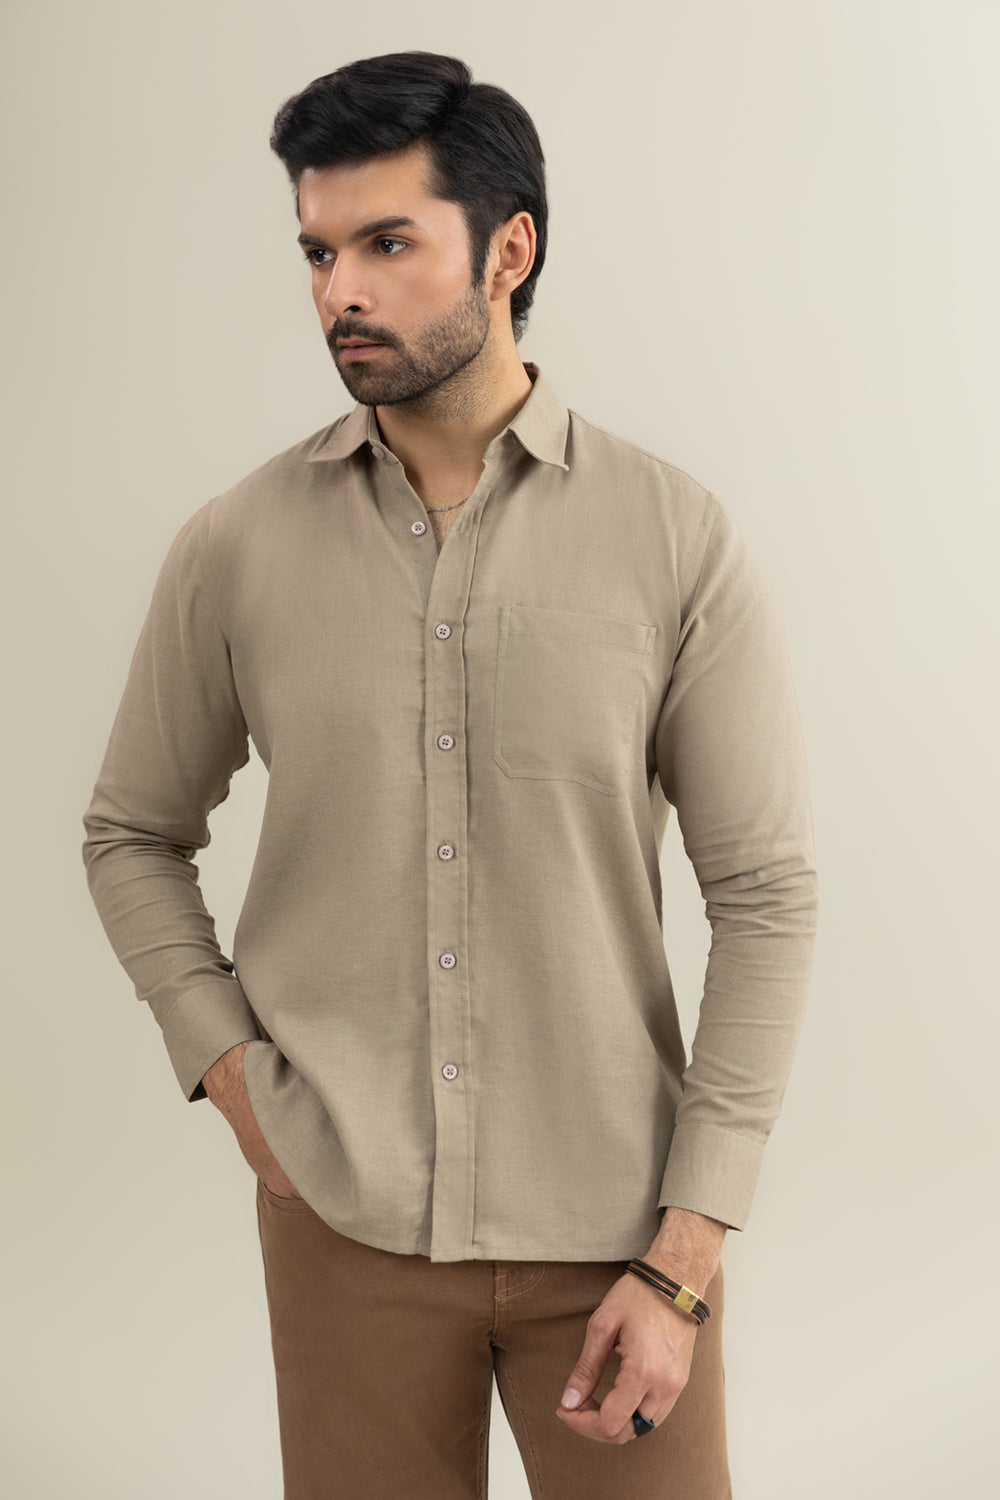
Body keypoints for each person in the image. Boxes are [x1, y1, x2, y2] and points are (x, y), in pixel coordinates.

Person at [81, 49, 818, 1500]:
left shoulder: (674, 538)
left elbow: (767, 893)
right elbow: (131, 831)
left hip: (622, 1243)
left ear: (508, 250)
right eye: (318, 252)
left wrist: (687, 1250)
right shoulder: (237, 543)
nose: (338, 292)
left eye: (385, 243)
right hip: (341, 1219)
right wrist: (230, 1073)